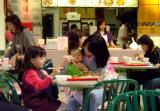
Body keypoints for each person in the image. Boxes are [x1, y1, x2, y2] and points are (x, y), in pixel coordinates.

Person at [67, 34, 113, 111]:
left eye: (88, 50)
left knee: (91, 97)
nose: (85, 51)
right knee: (71, 102)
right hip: (80, 90)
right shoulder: (81, 55)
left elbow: (100, 79)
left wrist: (85, 69)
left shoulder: (102, 60)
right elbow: (66, 69)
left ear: (97, 51)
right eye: (84, 47)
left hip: (98, 89)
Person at [21, 46, 66, 111]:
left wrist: (47, 76)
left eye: (44, 57)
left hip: (40, 100)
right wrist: (52, 75)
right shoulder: (30, 73)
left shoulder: (36, 70)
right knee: (63, 106)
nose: (44, 60)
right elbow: (40, 85)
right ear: (32, 60)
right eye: (41, 58)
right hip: (35, 103)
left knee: (63, 105)